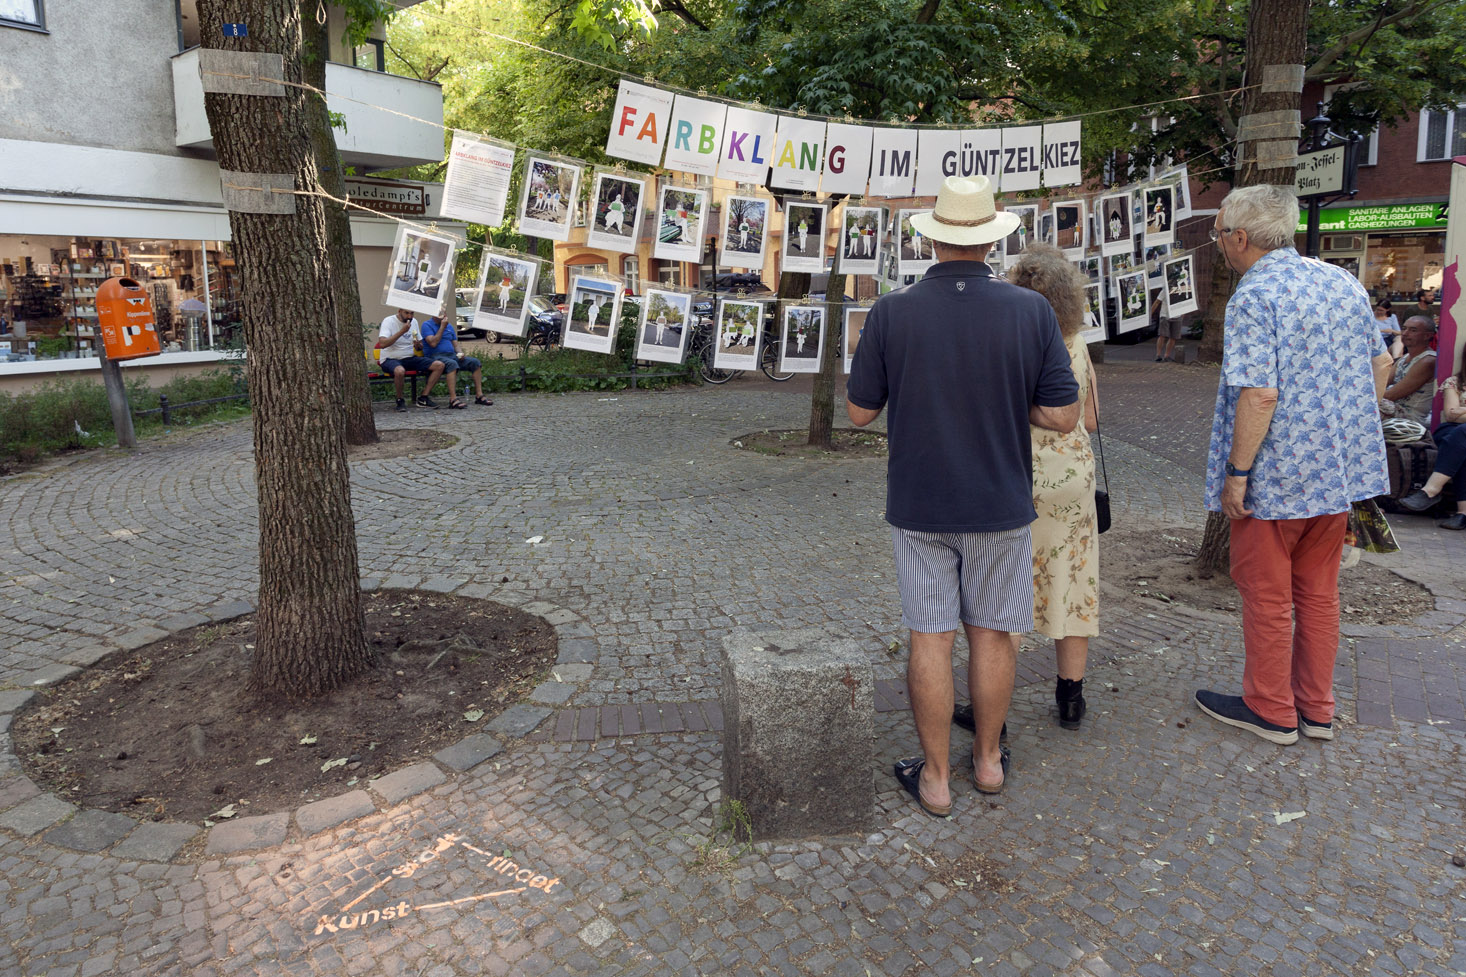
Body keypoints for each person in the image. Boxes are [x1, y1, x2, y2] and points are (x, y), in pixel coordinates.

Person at [847, 175, 1080, 816]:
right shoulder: (1030, 311)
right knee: (994, 636)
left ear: (935, 240)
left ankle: (936, 780)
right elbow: (1065, 417)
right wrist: (1008, 402)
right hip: (999, 502)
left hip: (920, 503)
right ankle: (986, 764)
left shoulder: (891, 312)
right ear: (989, 242)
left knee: (930, 637)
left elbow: (860, 413)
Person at [1195, 184, 1390, 745]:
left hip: (1277, 479)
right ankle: (1317, 708)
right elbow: (1382, 364)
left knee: (1267, 593)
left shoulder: (1255, 296)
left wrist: (1237, 475)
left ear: (1238, 238)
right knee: (1319, 592)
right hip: (1336, 477)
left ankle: (1272, 708)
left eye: (1219, 237)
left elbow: (1260, 394)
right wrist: (1346, 427)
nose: (1221, 247)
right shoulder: (1340, 281)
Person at [1003, 244, 1100, 729]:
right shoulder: (1078, 341)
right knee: (1073, 583)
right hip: (1075, 479)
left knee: (1011, 589)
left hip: (1022, 473)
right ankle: (1070, 700)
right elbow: (1093, 418)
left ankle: (990, 705)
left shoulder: (1012, 336)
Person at [1397, 360, 1466, 528]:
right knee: (1460, 437)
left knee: (1462, 436)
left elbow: (1456, 412)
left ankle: (1431, 491)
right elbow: (1450, 415)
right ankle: (1462, 513)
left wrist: (1462, 410)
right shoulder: (1455, 382)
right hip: (1452, 430)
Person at [376, 308, 446, 411]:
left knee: (439, 365)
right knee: (400, 371)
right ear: (399, 311)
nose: (410, 316)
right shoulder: (389, 321)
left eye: (412, 313)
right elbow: (382, 344)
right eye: (407, 313)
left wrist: (418, 345)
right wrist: (402, 331)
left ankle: (423, 397)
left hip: (409, 358)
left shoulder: (414, 322)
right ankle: (400, 400)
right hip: (390, 359)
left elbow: (419, 346)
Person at [1379, 316, 1438, 424]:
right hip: (1392, 409)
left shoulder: (1428, 361)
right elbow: (1382, 383)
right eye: (1404, 328)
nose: (1405, 333)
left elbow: (1391, 395)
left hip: (1409, 418)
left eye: (1413, 330)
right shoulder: (1404, 358)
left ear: (1427, 335)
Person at [1152, 290, 1179, 362]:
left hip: (1177, 316)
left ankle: (1167, 355)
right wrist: (1150, 313)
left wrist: (1183, 314)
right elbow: (1157, 302)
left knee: (1173, 336)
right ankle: (1158, 355)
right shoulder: (1164, 290)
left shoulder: (1181, 290)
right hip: (1165, 315)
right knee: (1162, 335)